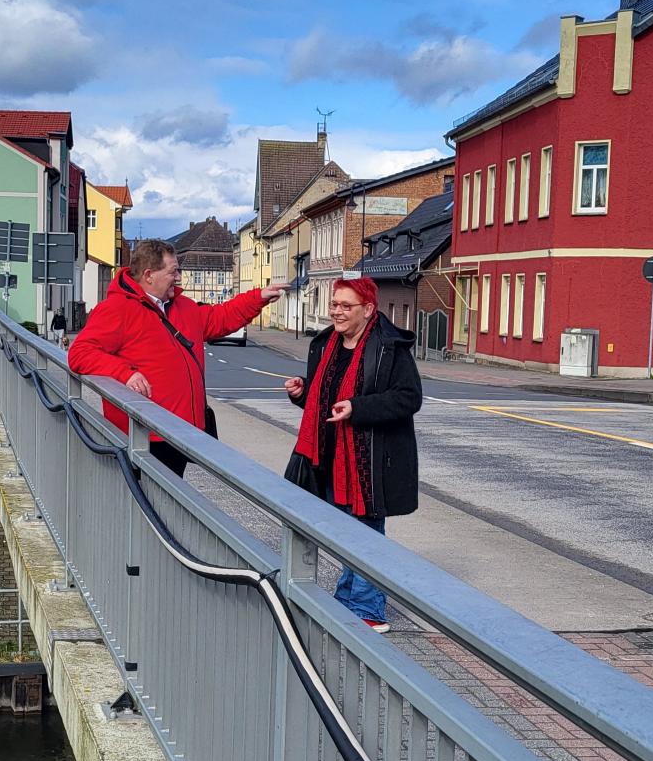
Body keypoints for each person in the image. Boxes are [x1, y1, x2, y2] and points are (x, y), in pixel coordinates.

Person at [68, 239, 287, 477]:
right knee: (148, 505)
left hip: (179, 432)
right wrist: (125, 373)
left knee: (168, 504)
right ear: (149, 275)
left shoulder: (182, 307)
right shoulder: (118, 308)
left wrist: (259, 298)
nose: (179, 277)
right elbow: (81, 353)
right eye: (173, 271)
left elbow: (220, 318)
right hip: (145, 434)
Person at [283, 277, 421, 634]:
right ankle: (348, 598)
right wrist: (302, 393)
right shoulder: (326, 344)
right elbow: (321, 398)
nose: (336, 312)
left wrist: (358, 408)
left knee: (366, 532)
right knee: (345, 533)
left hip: (369, 461)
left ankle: (368, 610)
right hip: (327, 457)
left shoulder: (390, 348)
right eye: (334, 304)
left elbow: (409, 398)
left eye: (346, 306)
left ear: (368, 310)